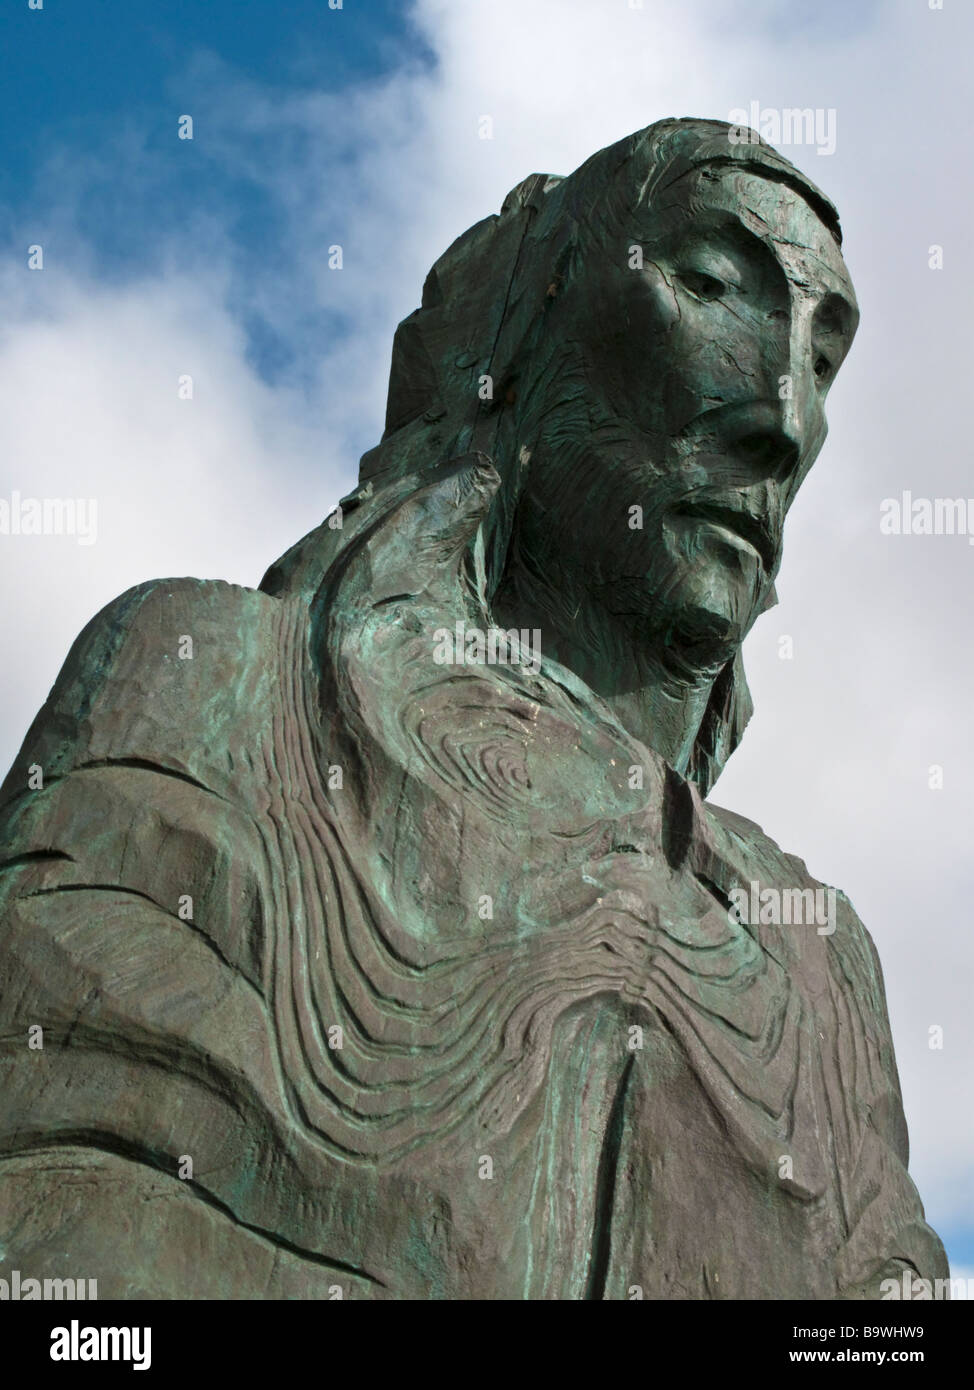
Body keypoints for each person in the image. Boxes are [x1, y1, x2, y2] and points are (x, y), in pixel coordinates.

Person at [0, 119, 948, 1298]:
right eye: (711, 285)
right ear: (530, 325)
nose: (785, 417)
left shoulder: (819, 959)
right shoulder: (209, 693)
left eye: (820, 358)